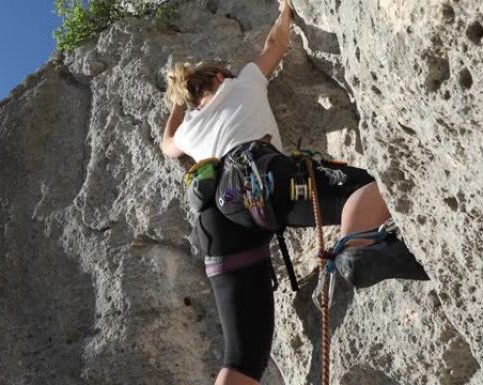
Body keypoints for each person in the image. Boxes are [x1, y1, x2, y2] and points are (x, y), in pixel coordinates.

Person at [159, 1, 427, 384]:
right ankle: (356, 250)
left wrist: (176, 106)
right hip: (264, 184)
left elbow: (167, 144)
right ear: (220, 76)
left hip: (219, 223)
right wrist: (286, 10)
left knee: (242, 359)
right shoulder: (240, 83)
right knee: (377, 183)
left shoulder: (187, 131)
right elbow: (274, 45)